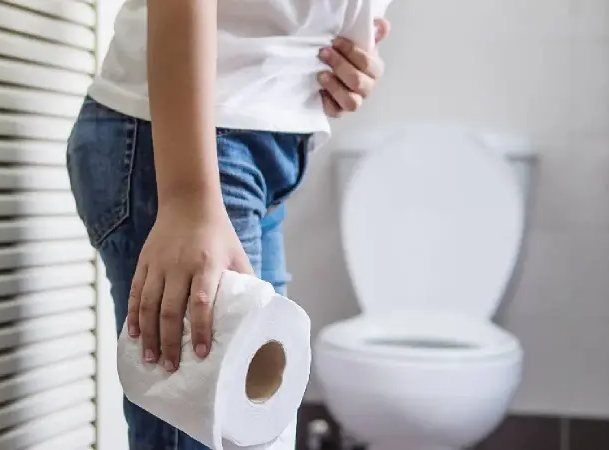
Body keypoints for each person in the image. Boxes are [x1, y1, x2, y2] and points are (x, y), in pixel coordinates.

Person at [67, 1, 390, 449]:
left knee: (252, 424)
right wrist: (187, 196)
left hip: (256, 145)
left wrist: (352, 58)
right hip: (189, 147)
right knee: (212, 424)